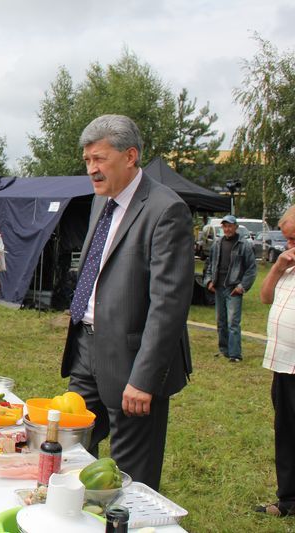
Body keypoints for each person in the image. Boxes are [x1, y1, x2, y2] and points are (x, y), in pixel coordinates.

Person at [61, 115, 193, 491]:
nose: (92, 169)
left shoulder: (166, 210)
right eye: (87, 160)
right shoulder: (98, 205)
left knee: (128, 478)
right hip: (86, 350)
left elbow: (168, 304)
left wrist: (144, 379)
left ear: (130, 156)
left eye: (99, 159)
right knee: (70, 449)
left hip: (132, 362)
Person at [257, 206, 295, 518]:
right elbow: (265, 298)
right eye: (287, 241)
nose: (289, 247)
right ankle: (287, 500)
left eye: (294, 240)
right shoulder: (288, 264)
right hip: (283, 364)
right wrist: (277, 267)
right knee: (285, 431)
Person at [203, 214, 257, 362]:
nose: (227, 229)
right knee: (220, 321)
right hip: (218, 288)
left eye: (230, 226)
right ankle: (224, 350)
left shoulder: (244, 245)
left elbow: (251, 270)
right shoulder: (217, 244)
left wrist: (242, 287)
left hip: (233, 289)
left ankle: (235, 355)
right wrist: (208, 281)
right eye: (225, 226)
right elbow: (209, 265)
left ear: (236, 227)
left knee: (233, 322)